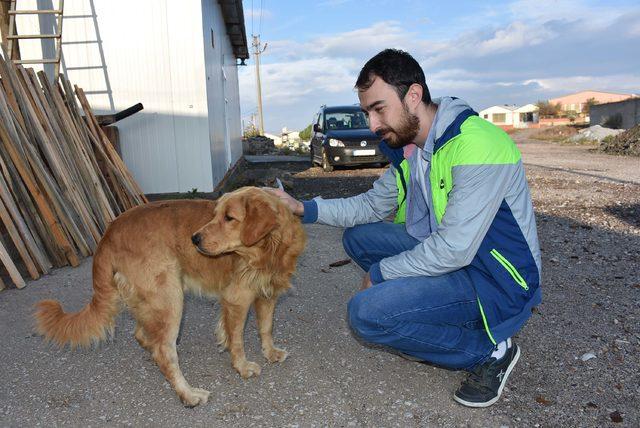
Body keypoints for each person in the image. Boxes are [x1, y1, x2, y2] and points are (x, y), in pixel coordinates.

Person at [267, 48, 542, 408]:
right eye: (367, 112)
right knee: (359, 240)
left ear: (413, 96)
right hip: (452, 255)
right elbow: (370, 205)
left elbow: (454, 249)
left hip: (495, 277)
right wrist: (303, 208)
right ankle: (435, 312)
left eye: (379, 109)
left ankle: (488, 351)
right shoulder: (411, 148)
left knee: (366, 314)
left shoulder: (477, 144)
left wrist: (383, 273)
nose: (373, 125)